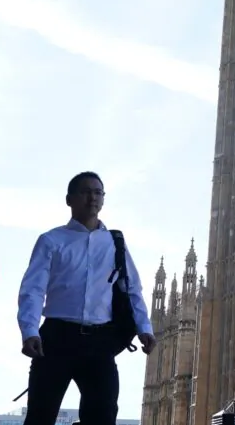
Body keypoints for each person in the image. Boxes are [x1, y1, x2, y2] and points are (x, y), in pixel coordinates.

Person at [16, 171, 156, 425]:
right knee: (40, 416)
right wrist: (29, 331)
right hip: (57, 339)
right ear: (69, 199)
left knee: (103, 417)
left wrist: (144, 327)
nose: (93, 197)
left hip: (100, 343)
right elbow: (33, 289)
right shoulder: (52, 240)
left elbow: (133, 289)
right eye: (86, 191)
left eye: (98, 192)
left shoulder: (115, 243)